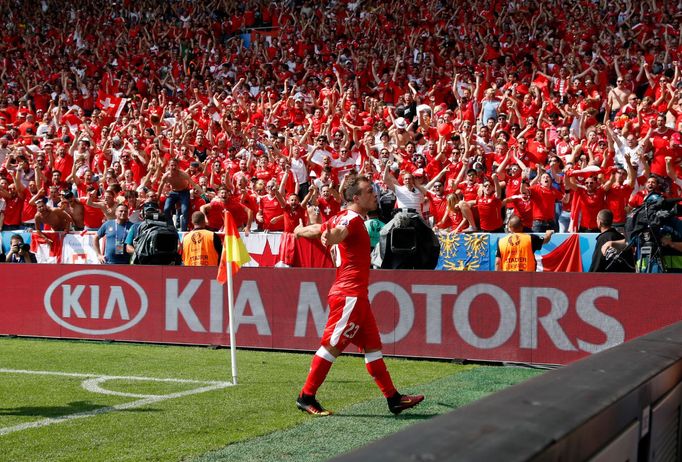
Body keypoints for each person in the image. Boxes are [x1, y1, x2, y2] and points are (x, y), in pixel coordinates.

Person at [293, 175, 424, 416]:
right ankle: (306, 396)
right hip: (349, 295)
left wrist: (301, 230)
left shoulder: (343, 217)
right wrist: (330, 237)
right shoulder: (352, 220)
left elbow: (320, 230)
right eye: (369, 192)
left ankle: (393, 399)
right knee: (331, 346)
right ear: (356, 197)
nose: (374, 194)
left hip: (357, 296)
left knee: (373, 348)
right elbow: (337, 233)